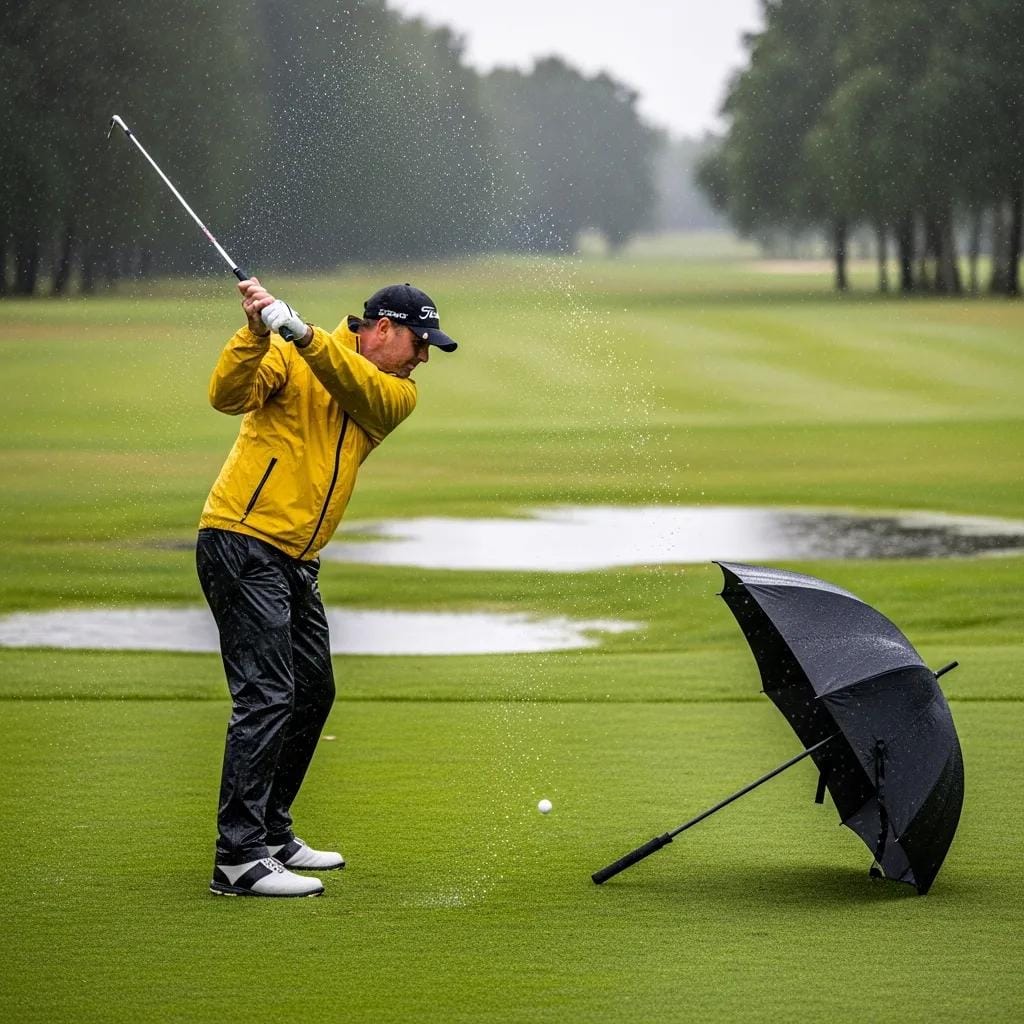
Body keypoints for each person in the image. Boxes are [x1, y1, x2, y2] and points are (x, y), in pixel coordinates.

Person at [197, 279, 458, 897]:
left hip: (296, 556)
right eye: (418, 343)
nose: (423, 358)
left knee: (313, 690)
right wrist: (258, 333)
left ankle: (270, 831)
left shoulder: (393, 393)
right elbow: (226, 397)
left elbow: (352, 383)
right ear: (383, 329)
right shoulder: (287, 351)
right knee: (267, 694)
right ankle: (237, 857)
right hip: (242, 537)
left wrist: (302, 333)